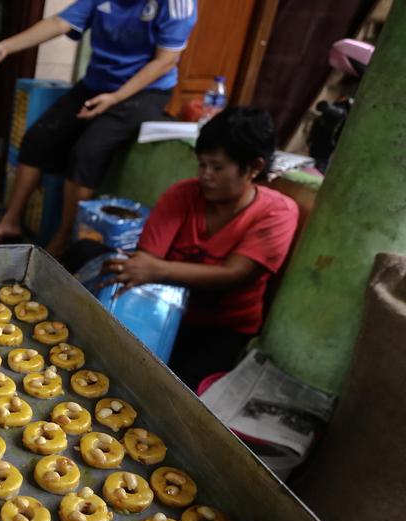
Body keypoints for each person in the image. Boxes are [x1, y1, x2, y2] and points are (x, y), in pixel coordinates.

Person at [0, 0, 197, 255]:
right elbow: (59, 22)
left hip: (145, 91)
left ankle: (63, 239)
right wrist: (6, 47)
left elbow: (165, 61)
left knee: (86, 153)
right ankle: (10, 222)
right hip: (96, 83)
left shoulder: (177, 4)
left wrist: (114, 98)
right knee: (38, 138)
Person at [104, 107, 299, 388]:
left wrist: (160, 270)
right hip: (168, 311)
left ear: (254, 167)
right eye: (202, 164)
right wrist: (149, 271)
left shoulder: (277, 212)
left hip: (224, 328)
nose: (206, 175)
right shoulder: (182, 195)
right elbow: (146, 261)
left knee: (176, 391)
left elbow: (235, 274)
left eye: (217, 167)